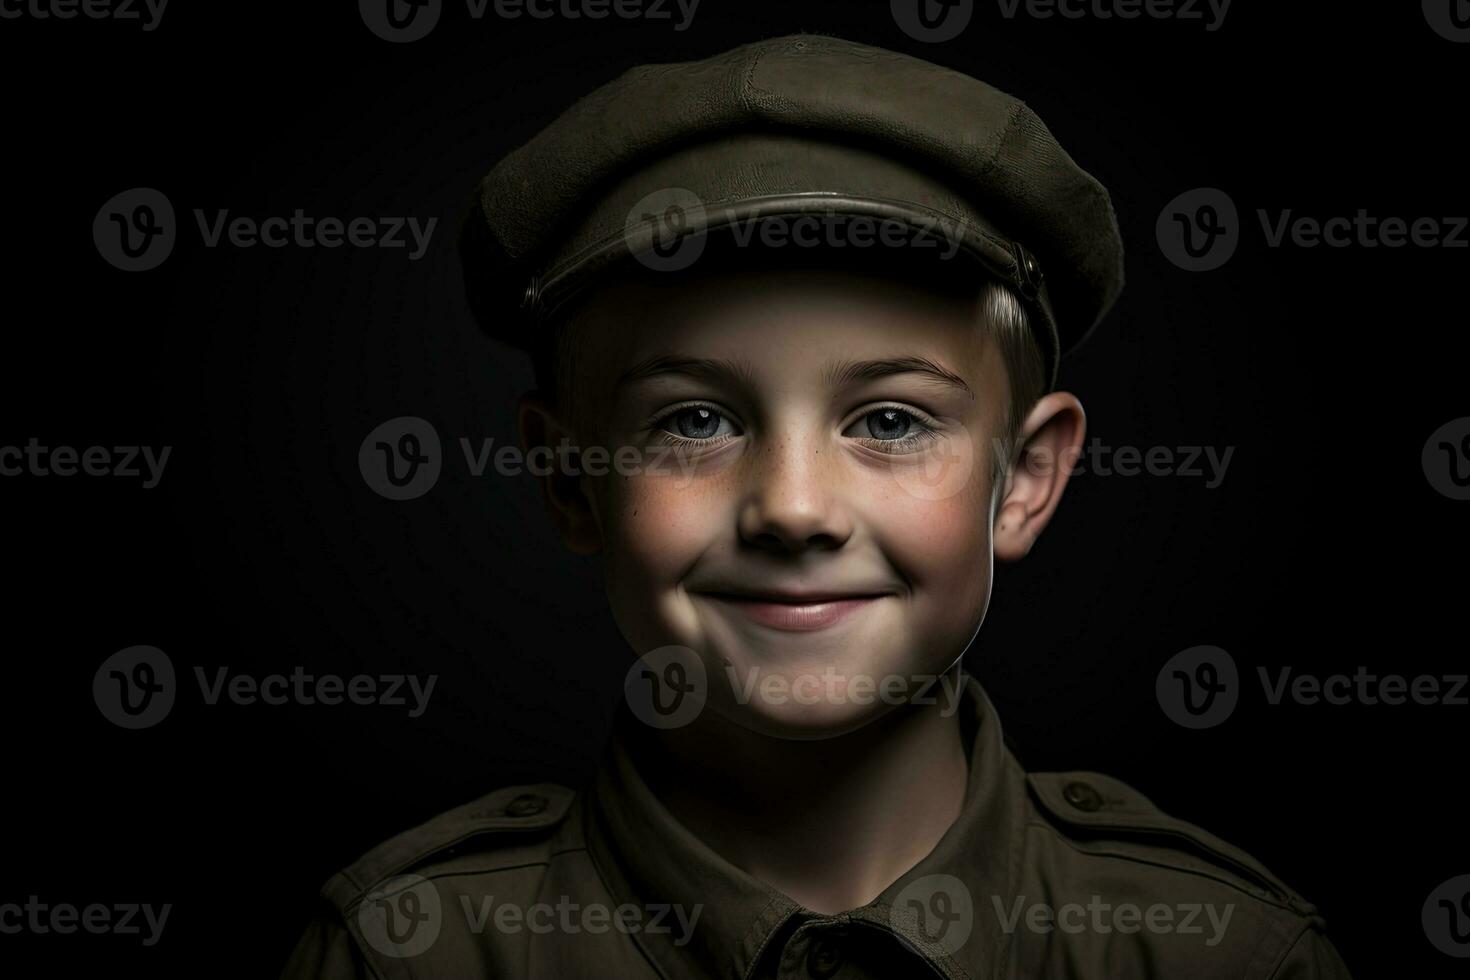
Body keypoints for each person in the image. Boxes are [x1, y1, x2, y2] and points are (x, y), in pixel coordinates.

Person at [281, 33, 1353, 979]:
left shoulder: (1219, 952)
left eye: (890, 421)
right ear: (571, 480)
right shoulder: (411, 951)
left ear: (1025, 479)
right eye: (695, 421)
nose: (794, 509)